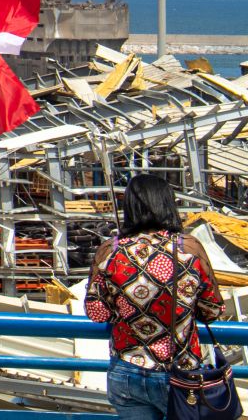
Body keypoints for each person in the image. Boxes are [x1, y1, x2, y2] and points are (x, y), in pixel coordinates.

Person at [87, 174, 225, 420]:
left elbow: (97, 312)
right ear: (167, 203)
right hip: (181, 372)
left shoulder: (111, 250)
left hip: (127, 368)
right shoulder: (188, 248)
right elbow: (212, 309)